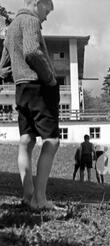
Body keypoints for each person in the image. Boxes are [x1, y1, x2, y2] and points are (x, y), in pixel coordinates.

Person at [0, 0, 61, 210]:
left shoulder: (10, 28)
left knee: (26, 140)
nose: (46, 17)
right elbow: (32, 52)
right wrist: (51, 79)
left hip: (21, 89)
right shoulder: (31, 20)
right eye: (47, 10)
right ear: (36, 3)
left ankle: (28, 196)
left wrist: (18, 74)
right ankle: (40, 199)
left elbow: (4, 68)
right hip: (38, 86)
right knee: (52, 141)